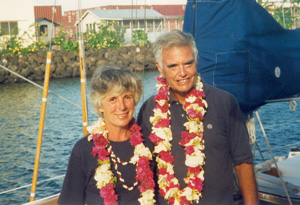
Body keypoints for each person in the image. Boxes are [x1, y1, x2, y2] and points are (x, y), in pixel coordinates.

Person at [137, 30, 258, 205]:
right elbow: (144, 168)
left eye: (188, 63)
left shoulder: (224, 103)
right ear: (159, 67)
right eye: (173, 66)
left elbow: (243, 163)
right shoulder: (150, 108)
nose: (182, 72)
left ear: (197, 61)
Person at [58, 65, 156, 205]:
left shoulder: (148, 142)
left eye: (127, 97)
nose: (121, 106)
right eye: (112, 99)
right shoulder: (84, 149)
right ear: (100, 106)